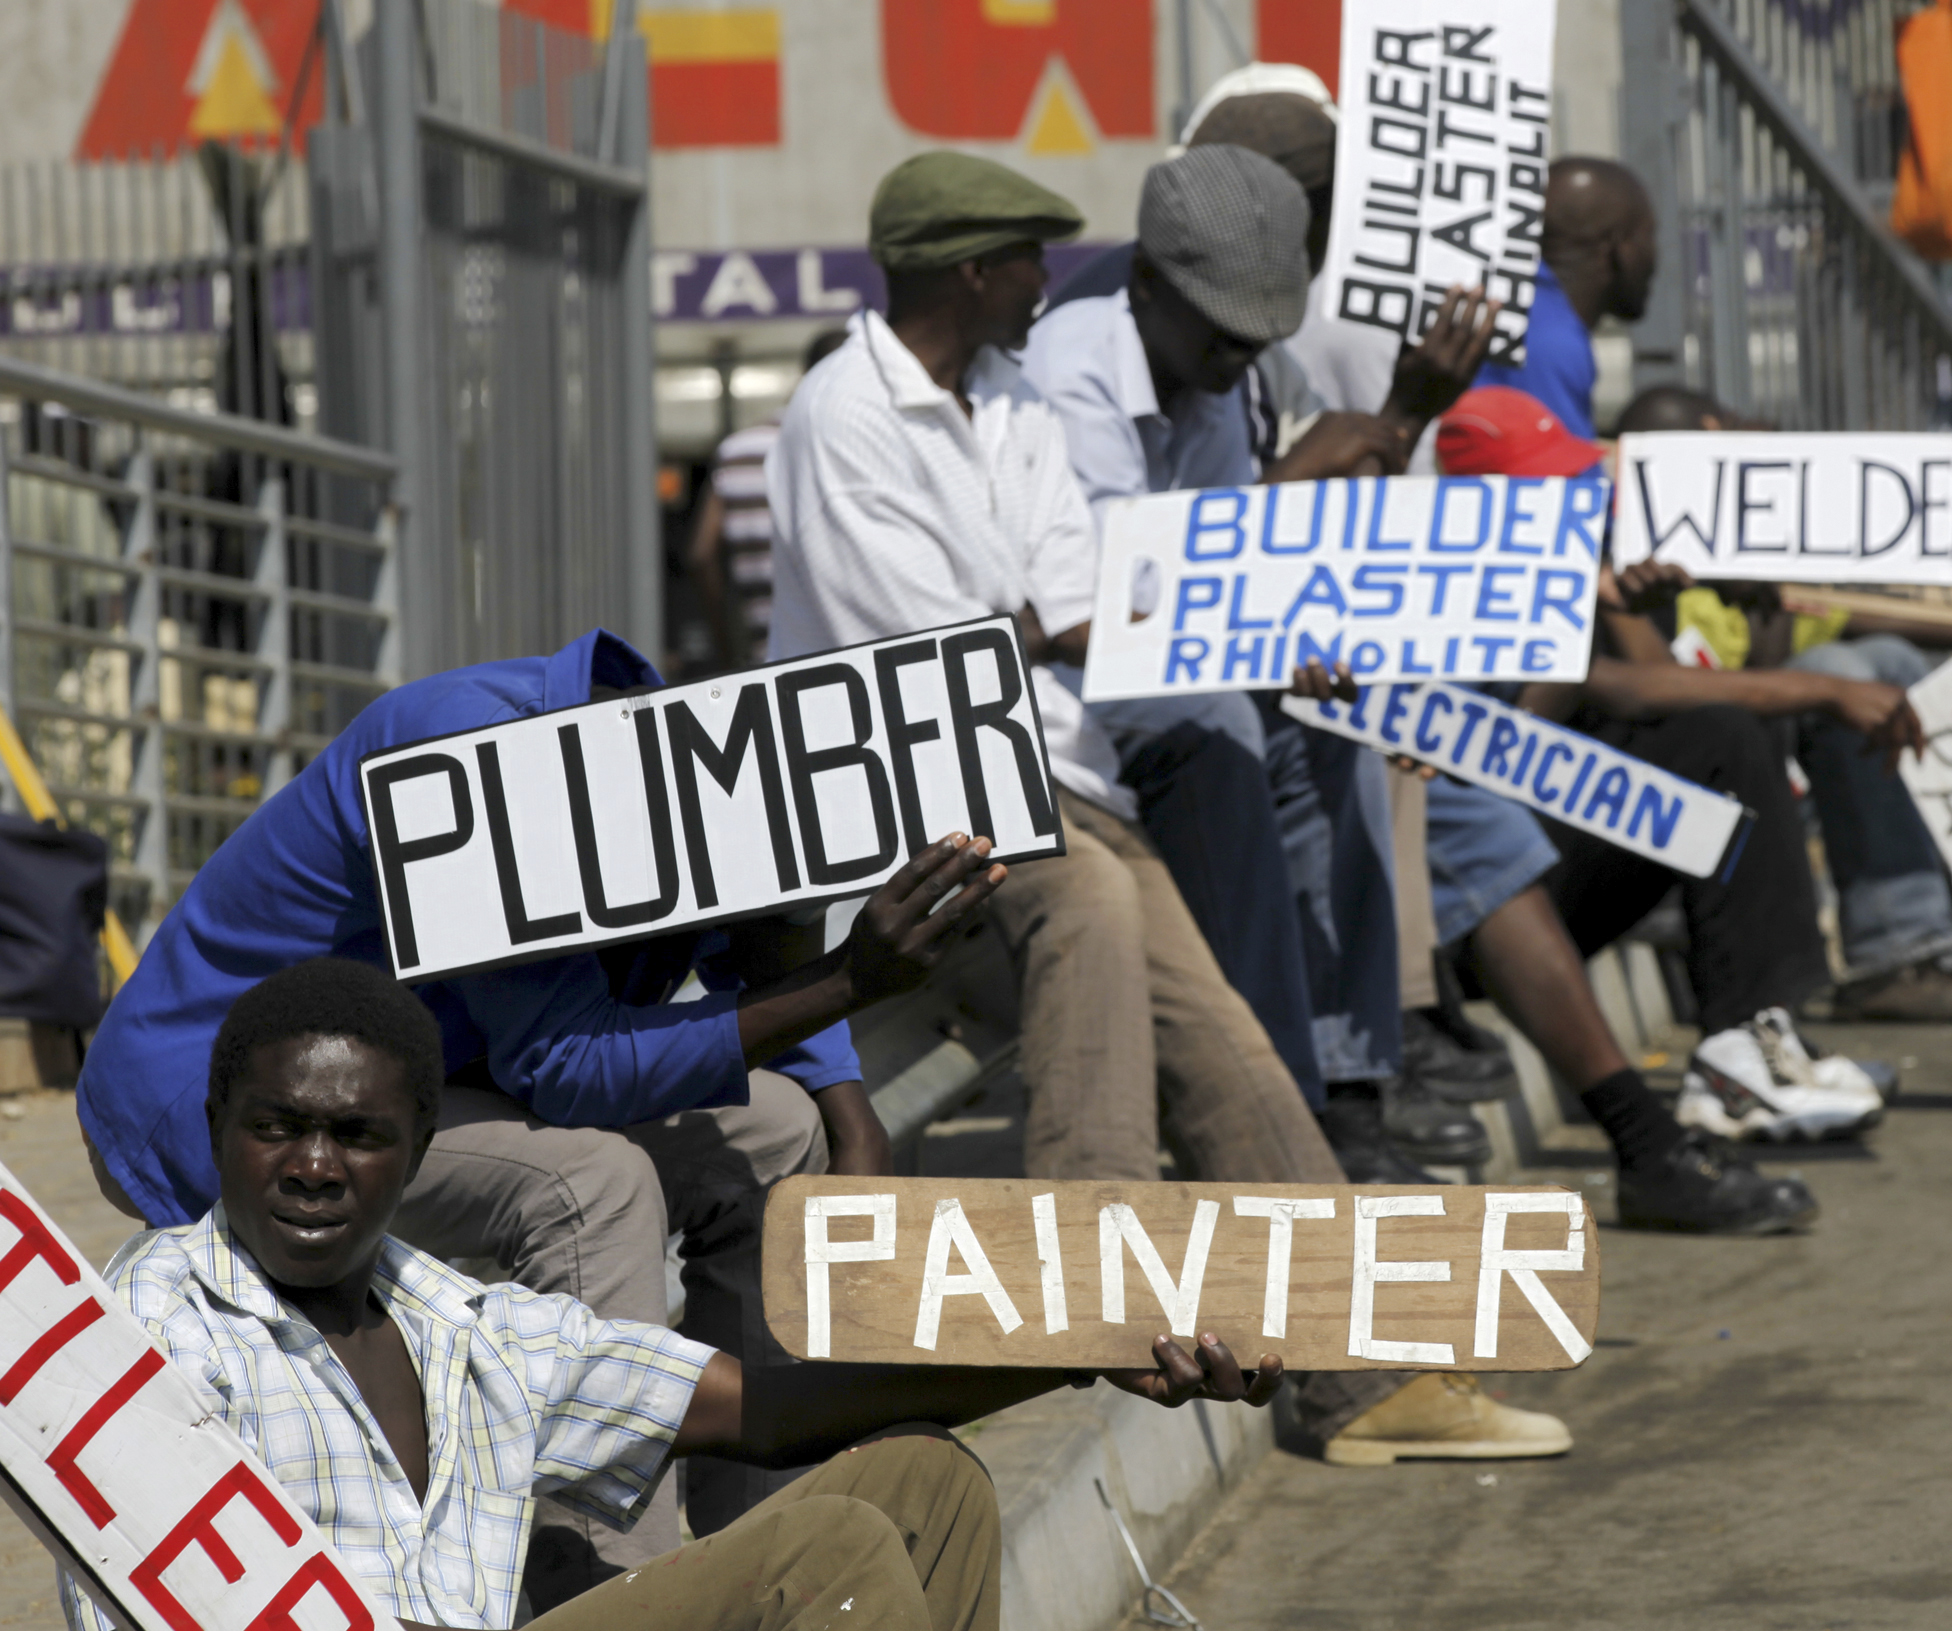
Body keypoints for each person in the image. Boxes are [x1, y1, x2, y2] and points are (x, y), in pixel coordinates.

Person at [764, 150, 1571, 1464]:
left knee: (1225, 1037)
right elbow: (935, 659)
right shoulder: (838, 418)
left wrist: (1166, 618)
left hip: (1054, 780)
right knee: (1088, 896)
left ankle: (1358, 1372)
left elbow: (1076, 596)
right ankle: (1096, 1285)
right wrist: (1104, 617)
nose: (1046, 282)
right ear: (973, 272)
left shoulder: (1005, 397)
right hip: (914, 804)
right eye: (1027, 259)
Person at [74, 628, 1005, 1584]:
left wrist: (856, 1121)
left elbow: (763, 964)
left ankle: (752, 1551)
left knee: (776, 1127)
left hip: (427, 1070)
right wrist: (853, 979)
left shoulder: (688, 775)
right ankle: (603, 1586)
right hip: (242, 1106)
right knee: (591, 1184)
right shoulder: (478, 756)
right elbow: (566, 1064)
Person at [66, 955, 1278, 1631]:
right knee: (827, 1548)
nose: (314, 1163)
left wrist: (1077, 1349)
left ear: (419, 1143)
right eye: (274, 1126)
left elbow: (762, 1409)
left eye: (355, 1134)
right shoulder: (159, 1327)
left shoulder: (456, 1324)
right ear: (220, 1127)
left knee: (924, 1481)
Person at [1021, 143, 1498, 1180]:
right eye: (1224, 328)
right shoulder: (1073, 371)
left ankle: (1345, 1082)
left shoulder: (1207, 372)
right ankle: (1268, 1104)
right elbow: (1109, 599)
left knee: (1333, 729)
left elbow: (1227, 575)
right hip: (1064, 687)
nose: (1244, 353)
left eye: (1258, 333)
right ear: (1148, 283)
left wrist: (1287, 640)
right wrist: (1297, 475)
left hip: (1157, 661)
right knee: (1219, 728)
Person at [1435, 387, 1904, 1145]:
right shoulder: (1445, 588)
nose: (1580, 504)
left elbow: (1654, 683)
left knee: (1717, 737)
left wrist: (1613, 601)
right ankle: (1737, 1056)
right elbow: (1575, 703)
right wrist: (1825, 689)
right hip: (1478, 927)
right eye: (1554, 491)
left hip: (1547, 887)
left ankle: (1747, 1036)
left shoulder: (1573, 572)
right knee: (1718, 737)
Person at [1613, 383, 1952, 1019]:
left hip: (1759, 760)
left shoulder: (1740, 562)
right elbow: (1709, 704)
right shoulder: (1644, 582)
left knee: (1892, 666)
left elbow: (1864, 618)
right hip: (1702, 779)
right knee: (1837, 674)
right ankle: (1889, 953)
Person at [687, 325, 850, 669]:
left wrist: (726, 647)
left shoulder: (738, 450)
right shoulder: (851, 447)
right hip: (847, 651)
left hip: (770, 656)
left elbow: (701, 555)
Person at [1468, 157, 1657, 440]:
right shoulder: (1550, 341)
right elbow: (1563, 482)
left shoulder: (1517, 306)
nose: (1656, 254)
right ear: (1622, 249)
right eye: (1650, 236)